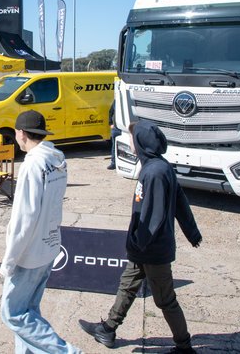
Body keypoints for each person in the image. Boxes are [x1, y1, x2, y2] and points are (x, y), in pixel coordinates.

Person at [79, 120, 202, 353]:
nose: (131, 143)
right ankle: (108, 329)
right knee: (128, 285)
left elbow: (154, 216)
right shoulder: (157, 166)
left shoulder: (155, 172)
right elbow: (180, 201)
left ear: (142, 143)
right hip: (144, 247)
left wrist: (139, 243)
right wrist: (192, 232)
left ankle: (184, 347)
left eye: (133, 138)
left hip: (152, 249)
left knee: (165, 300)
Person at [0, 110, 80, 354]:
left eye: (15, 132)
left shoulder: (33, 164)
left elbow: (25, 217)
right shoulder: (56, 158)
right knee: (29, 310)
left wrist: (9, 261)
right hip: (50, 244)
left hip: (30, 252)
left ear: (21, 134)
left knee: (12, 313)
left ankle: (66, 352)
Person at [108, 100, 121, 170]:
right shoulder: (116, 101)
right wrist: (110, 124)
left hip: (124, 128)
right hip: (116, 128)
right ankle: (113, 163)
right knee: (114, 147)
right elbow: (110, 112)